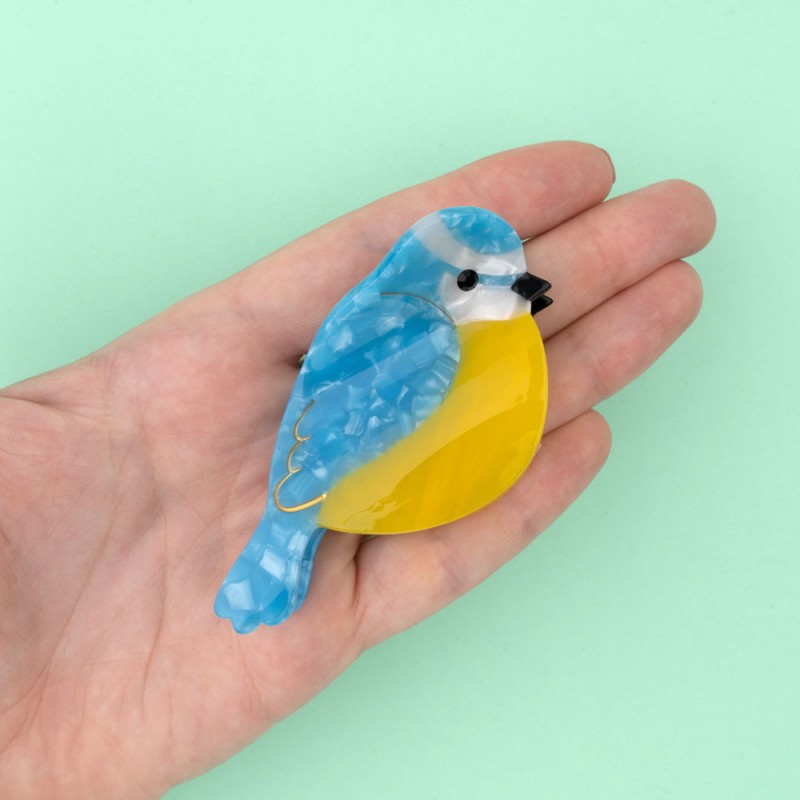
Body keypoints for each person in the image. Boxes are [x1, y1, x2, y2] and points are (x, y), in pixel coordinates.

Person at [0, 141, 715, 799]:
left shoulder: (467, 330)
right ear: (444, 282)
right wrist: (301, 507)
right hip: (342, 481)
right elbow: (351, 431)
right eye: (476, 279)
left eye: (510, 276)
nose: (512, 290)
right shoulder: (431, 337)